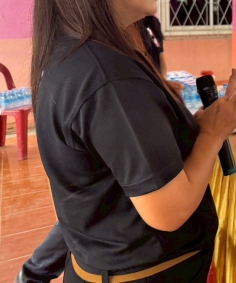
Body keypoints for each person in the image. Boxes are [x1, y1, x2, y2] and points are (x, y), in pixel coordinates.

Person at [30, 0, 236, 282]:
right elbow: (168, 211)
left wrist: (194, 125)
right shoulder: (108, 76)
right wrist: (213, 134)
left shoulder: (77, 53)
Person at [15, 17, 177, 283]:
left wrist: (162, 88)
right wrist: (211, 134)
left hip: (138, 125)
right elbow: (169, 214)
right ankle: (33, 272)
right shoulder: (97, 56)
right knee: (90, 212)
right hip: (120, 130)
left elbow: (157, 66)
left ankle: (35, 271)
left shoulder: (149, 25)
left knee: (96, 211)